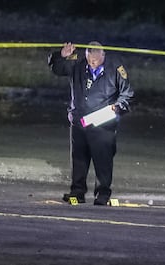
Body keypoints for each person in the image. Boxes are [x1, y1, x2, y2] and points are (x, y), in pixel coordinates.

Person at [48, 41, 134, 205]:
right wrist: (61, 56)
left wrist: (117, 107)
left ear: (103, 55)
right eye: (90, 60)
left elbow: (127, 94)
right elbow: (57, 69)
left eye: (96, 60)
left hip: (103, 123)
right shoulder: (78, 64)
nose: (93, 64)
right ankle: (77, 193)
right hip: (79, 121)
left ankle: (102, 194)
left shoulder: (115, 68)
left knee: (103, 159)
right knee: (78, 158)